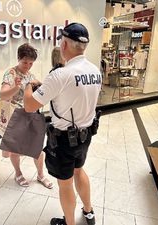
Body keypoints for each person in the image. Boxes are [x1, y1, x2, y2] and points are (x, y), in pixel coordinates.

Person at [24, 23, 101, 225]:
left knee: (65, 184)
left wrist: (27, 87)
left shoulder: (60, 74)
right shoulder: (95, 71)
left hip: (64, 140)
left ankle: (69, 223)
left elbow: (30, 105)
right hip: (86, 135)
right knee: (79, 170)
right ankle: (89, 212)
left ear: (65, 44)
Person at [0, 43, 53, 189]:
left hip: (31, 114)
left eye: (31, 63)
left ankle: (41, 175)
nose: (27, 66)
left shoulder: (30, 75)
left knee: (37, 148)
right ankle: (18, 173)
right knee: (16, 148)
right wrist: (16, 87)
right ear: (18, 58)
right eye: (25, 62)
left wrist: (40, 84)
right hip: (16, 115)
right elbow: (2, 95)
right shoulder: (11, 73)